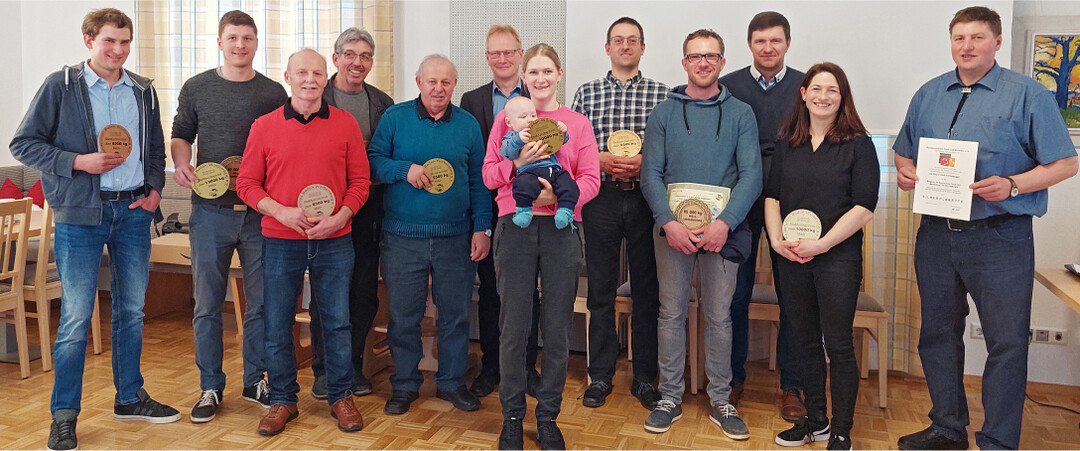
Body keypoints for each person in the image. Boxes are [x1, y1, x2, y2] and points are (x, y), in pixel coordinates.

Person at [893, 6, 1078, 450]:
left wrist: (1013, 184)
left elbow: (1066, 162)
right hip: (937, 233)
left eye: (977, 38)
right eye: (959, 38)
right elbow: (904, 152)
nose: (967, 46)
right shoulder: (929, 94)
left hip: (1001, 237)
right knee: (937, 333)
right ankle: (946, 428)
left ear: (996, 42)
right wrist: (904, 172)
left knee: (1007, 343)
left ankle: (997, 440)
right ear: (951, 43)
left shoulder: (1027, 95)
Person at [10, 8, 177, 450]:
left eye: (125, 42)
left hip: (134, 214)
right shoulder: (60, 86)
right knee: (76, 319)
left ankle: (130, 398)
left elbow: (155, 148)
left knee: (132, 312)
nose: (118, 51)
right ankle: (63, 417)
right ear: (89, 41)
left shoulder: (142, 90)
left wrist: (155, 190)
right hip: (80, 217)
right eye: (109, 41)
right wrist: (76, 162)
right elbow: (23, 143)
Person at [235, 48, 370, 436]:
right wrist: (281, 212)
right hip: (280, 239)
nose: (310, 79)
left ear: (326, 78)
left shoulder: (345, 124)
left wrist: (340, 217)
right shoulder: (264, 125)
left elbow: (360, 182)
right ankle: (282, 400)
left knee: (337, 321)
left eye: (317, 73)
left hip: (335, 238)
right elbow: (246, 184)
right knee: (277, 321)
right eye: (302, 73)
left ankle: (340, 395)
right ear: (288, 77)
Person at [639, 29, 761, 440]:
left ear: (723, 62)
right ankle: (670, 397)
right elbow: (650, 172)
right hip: (671, 232)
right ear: (684, 62)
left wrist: (723, 223)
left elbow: (752, 175)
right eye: (696, 56)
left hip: (723, 233)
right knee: (670, 313)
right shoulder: (663, 114)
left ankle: (721, 399)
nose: (704, 62)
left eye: (711, 56)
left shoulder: (742, 114)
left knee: (719, 316)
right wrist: (668, 221)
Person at [170, 10, 288, 422]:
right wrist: (181, 163)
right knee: (206, 304)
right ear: (220, 42)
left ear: (257, 43)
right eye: (233, 37)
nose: (241, 44)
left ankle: (256, 379)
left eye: (248, 38)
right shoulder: (197, 87)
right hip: (209, 212)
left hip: (261, 214)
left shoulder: (275, 93)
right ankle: (209, 386)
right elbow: (181, 134)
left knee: (260, 304)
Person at [483, 43, 600, 450]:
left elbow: (590, 179)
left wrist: (555, 199)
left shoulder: (577, 124)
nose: (540, 79)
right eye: (533, 72)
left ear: (559, 74)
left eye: (547, 71)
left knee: (555, 328)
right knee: (513, 328)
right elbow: (488, 176)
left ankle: (548, 416)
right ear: (523, 75)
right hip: (514, 228)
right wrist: (516, 166)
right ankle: (513, 416)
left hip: (561, 232)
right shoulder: (507, 119)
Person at [367, 54, 492, 417]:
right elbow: (373, 161)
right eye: (432, 81)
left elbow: (480, 183)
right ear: (419, 81)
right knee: (404, 316)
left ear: (455, 85)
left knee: (454, 316)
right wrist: (404, 170)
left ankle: (452, 382)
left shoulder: (468, 125)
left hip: (456, 237)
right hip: (402, 237)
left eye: (447, 82)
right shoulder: (395, 118)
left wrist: (482, 229)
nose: (439, 89)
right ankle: (405, 384)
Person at [766, 63, 878, 451]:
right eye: (816, 88)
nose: (823, 96)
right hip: (791, 255)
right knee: (803, 339)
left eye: (832, 90)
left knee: (839, 343)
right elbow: (772, 196)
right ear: (803, 93)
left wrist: (823, 244)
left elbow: (864, 206)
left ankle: (842, 430)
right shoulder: (788, 141)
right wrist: (777, 240)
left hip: (836, 258)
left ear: (842, 96)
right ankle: (816, 421)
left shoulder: (858, 144)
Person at [571, 16, 667, 410]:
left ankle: (645, 378)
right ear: (607, 48)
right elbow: (572, 149)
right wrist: (600, 158)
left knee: (648, 292)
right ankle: (600, 376)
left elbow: (670, 150)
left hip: (647, 200)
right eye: (617, 40)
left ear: (643, 48)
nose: (624, 46)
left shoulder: (664, 95)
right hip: (601, 200)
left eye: (632, 40)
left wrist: (646, 161)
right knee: (601, 292)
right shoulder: (586, 93)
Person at [718, 11, 806, 419]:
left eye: (775, 41)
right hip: (741, 205)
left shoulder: (807, 86)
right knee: (734, 296)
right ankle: (733, 378)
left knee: (794, 297)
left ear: (787, 43)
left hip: (792, 206)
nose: (768, 48)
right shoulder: (728, 86)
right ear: (749, 44)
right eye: (760, 41)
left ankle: (793, 386)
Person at [307, 26, 395, 401]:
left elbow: (387, 155)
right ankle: (324, 369)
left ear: (371, 62)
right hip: (322, 211)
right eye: (350, 54)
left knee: (362, 292)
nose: (357, 62)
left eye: (365, 56)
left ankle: (353, 365)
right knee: (326, 292)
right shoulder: (313, 96)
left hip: (368, 210)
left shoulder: (383, 103)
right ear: (336, 57)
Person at [459, 24, 541, 399]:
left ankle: (527, 366)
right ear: (487, 58)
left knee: (529, 292)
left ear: (520, 55)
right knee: (492, 289)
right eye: (495, 53)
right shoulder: (471, 100)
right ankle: (492, 366)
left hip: (532, 206)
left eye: (509, 52)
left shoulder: (539, 94)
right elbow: (475, 161)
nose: (503, 59)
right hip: (489, 207)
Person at [498, 97, 576, 228]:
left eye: (533, 115)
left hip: (553, 171)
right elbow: (507, 153)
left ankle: (565, 211)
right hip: (528, 174)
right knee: (521, 184)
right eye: (523, 117)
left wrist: (562, 131)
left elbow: (558, 141)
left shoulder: (541, 132)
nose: (530, 120)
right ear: (509, 122)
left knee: (568, 183)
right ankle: (524, 211)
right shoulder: (511, 137)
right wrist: (518, 139)